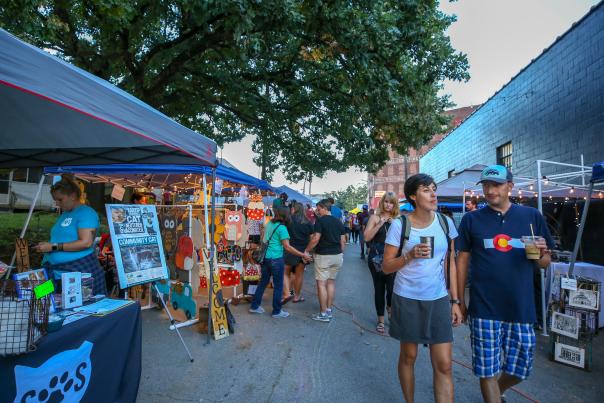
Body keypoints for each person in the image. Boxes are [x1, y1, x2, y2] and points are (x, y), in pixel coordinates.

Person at [455, 165, 554, 403]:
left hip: (520, 306)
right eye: (486, 185)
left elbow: (544, 263)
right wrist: (458, 301)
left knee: (521, 368)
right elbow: (462, 262)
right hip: (484, 306)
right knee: (486, 369)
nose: (490, 190)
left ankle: (497, 391)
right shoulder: (471, 220)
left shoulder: (531, 217)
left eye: (496, 185)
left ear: (510, 186)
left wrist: (541, 253)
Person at [382, 174, 461, 403]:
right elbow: (386, 267)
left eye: (434, 189)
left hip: (437, 298)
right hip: (407, 297)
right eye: (426, 190)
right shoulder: (400, 225)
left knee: (444, 365)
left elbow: (451, 263)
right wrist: (409, 255)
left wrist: (455, 301)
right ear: (413, 196)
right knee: (409, 355)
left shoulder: (446, 223)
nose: (433, 194)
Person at [34, 174, 107, 295]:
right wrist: (46, 245)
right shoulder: (65, 214)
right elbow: (61, 238)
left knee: (78, 309)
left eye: (60, 199)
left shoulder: (86, 212)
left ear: (73, 196)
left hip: (77, 273)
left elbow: (86, 242)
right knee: (42, 300)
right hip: (54, 272)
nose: (57, 203)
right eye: (55, 200)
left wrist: (52, 246)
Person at [249, 207, 311, 318]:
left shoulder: (269, 224)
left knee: (263, 282)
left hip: (266, 258)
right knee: (278, 286)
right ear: (286, 216)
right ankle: (277, 311)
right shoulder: (282, 228)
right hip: (276, 259)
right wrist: (302, 255)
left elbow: (263, 239)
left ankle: (254, 306)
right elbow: (287, 247)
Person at [305, 199, 346, 322]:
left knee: (321, 284)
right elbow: (343, 241)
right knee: (331, 283)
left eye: (318, 209)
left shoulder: (320, 221)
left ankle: (323, 314)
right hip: (337, 256)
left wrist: (306, 250)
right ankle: (328, 309)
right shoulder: (338, 222)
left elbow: (316, 238)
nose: (317, 211)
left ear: (324, 208)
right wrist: (340, 253)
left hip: (324, 256)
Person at [363, 192, 398, 334]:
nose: (388, 205)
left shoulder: (398, 220)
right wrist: (380, 223)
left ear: (395, 205)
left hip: (393, 258)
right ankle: (381, 320)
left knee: (392, 288)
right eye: (386, 202)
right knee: (379, 288)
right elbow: (366, 237)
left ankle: (390, 310)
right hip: (376, 258)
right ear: (382, 203)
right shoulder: (374, 217)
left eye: (391, 202)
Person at [282, 202, 314, 303]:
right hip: (303, 252)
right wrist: (308, 251)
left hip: (289, 250)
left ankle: (287, 294)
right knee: (298, 275)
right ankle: (296, 296)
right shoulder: (308, 222)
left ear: (294, 209)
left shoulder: (288, 221)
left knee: (286, 273)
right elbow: (312, 238)